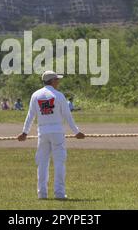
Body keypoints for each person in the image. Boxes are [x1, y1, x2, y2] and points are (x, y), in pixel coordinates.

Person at [18, 71, 85, 200]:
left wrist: (25, 132)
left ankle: (42, 194)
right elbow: (67, 116)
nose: (58, 82)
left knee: (42, 164)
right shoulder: (59, 96)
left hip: (42, 133)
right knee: (59, 163)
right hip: (57, 133)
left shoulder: (35, 95)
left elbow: (30, 116)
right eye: (57, 80)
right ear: (52, 81)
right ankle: (59, 193)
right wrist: (76, 132)